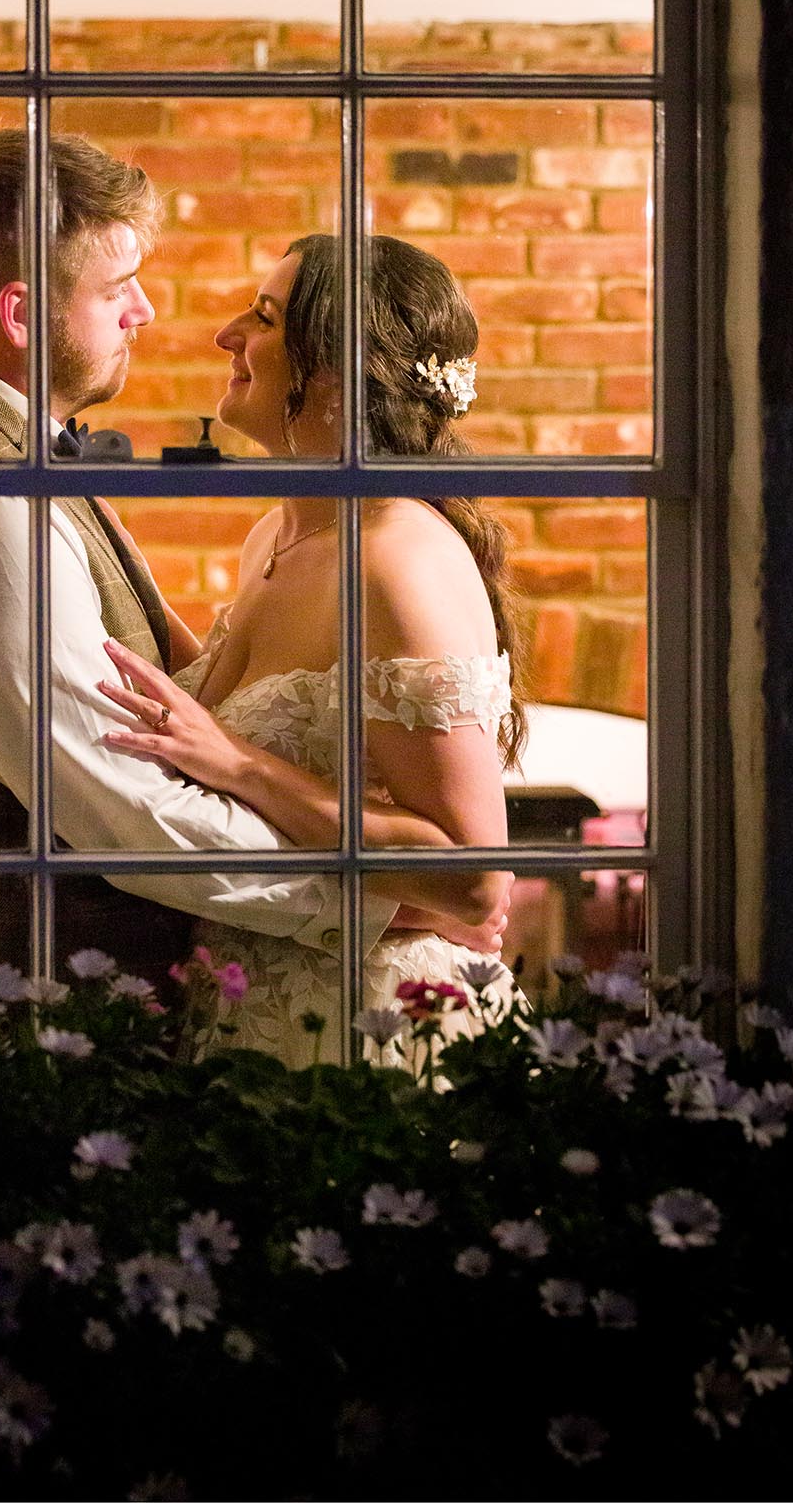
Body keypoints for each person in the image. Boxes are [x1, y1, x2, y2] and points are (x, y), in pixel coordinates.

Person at [0, 131, 462, 1003]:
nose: (147, 312)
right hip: (13, 1006)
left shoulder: (19, 458)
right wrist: (377, 902)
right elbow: (112, 799)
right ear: (22, 316)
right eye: (119, 287)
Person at [97, 232, 523, 1066]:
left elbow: (472, 881)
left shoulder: (396, 564)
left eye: (261, 319)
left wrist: (244, 766)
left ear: (332, 371)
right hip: (247, 1015)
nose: (227, 335)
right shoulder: (278, 534)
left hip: (371, 1030)